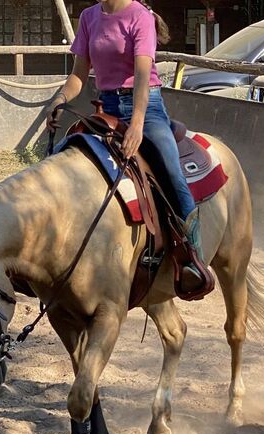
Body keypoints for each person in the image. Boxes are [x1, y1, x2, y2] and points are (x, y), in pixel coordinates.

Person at [46, 0, 204, 287]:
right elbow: (79, 74)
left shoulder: (140, 17)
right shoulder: (88, 17)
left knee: (171, 170)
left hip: (146, 106)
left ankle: (193, 255)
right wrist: (59, 100)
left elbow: (143, 75)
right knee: (59, 159)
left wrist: (138, 124)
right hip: (106, 107)